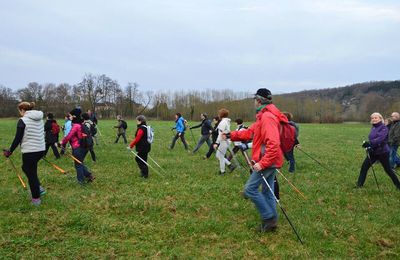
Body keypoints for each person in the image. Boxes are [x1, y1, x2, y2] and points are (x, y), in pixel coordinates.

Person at [228, 88, 287, 232]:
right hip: (270, 159)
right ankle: (272, 221)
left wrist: (262, 163)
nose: (254, 102)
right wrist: (230, 135)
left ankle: (269, 218)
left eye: (255, 99)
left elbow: (273, 143)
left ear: (259, 100)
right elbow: (249, 132)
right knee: (268, 191)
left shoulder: (267, 118)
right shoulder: (263, 116)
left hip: (267, 160)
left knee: (250, 189)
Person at [3, 102, 46, 206]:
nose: (19, 113)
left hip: (30, 151)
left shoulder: (22, 120)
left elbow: (17, 138)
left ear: (22, 110)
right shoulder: (39, 118)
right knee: (29, 169)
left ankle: (36, 198)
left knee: (30, 173)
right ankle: (39, 187)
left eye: (19, 111)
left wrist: (10, 151)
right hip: (41, 149)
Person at [357, 112, 400, 189]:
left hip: (383, 152)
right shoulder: (373, 127)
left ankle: (398, 185)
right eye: (372, 118)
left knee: (388, 170)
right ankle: (359, 185)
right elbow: (372, 138)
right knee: (364, 167)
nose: (374, 119)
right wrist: (368, 145)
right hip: (373, 152)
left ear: (380, 118)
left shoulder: (384, 128)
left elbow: (380, 139)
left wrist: (370, 143)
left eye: (376, 117)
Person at [60, 108, 95, 184]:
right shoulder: (81, 123)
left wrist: (61, 142)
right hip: (85, 146)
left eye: (70, 116)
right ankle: (89, 175)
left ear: (74, 116)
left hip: (78, 147)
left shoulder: (76, 125)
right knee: (80, 162)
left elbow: (69, 136)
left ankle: (81, 181)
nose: (70, 117)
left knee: (78, 165)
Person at [214, 108, 235, 175]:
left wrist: (216, 143)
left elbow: (220, 134)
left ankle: (222, 171)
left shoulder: (223, 122)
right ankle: (230, 165)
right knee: (218, 155)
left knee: (221, 157)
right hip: (226, 141)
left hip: (224, 141)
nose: (218, 114)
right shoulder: (226, 121)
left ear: (221, 114)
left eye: (219, 113)